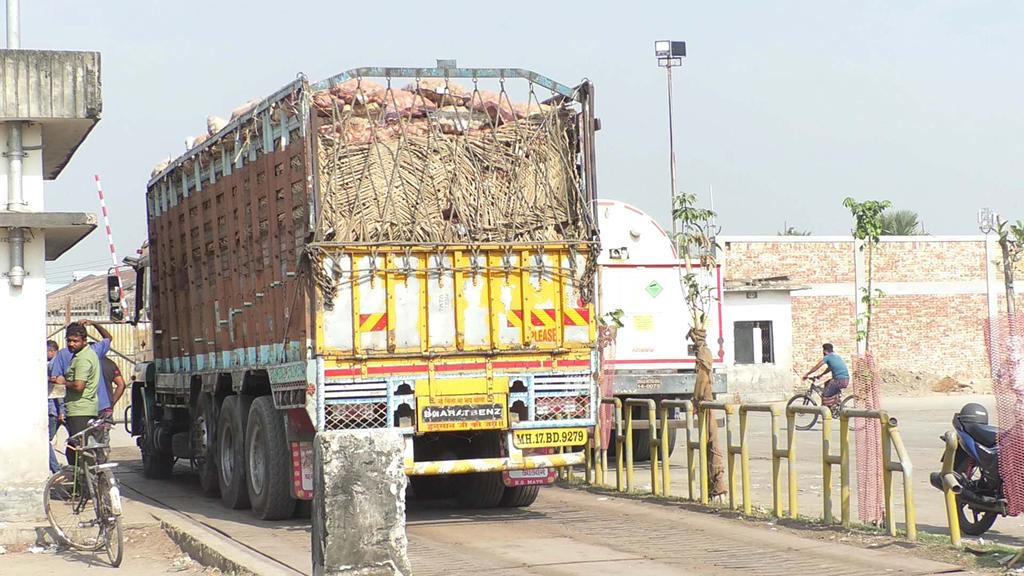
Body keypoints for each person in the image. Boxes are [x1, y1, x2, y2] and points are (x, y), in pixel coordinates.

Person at [54, 323, 101, 472]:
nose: (71, 344)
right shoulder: (80, 355)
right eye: (69, 340)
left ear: (84, 341)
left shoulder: (83, 359)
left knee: (78, 451)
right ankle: (83, 487)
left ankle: (84, 487)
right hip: (81, 408)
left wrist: (63, 382)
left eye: (75, 341)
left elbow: (79, 386)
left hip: (80, 410)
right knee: (76, 449)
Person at [803, 343, 850, 407]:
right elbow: (830, 368)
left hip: (838, 380)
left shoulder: (827, 357)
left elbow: (817, 366)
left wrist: (807, 374)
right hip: (845, 380)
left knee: (825, 394)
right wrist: (821, 374)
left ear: (825, 351)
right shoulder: (836, 356)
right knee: (827, 383)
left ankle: (827, 408)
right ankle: (835, 402)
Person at [46, 340, 65, 474]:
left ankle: (57, 470)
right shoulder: (56, 363)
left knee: (44, 442)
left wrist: (62, 411)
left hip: (54, 410)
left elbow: (58, 391)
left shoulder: (54, 365)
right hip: (55, 410)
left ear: (52, 351)